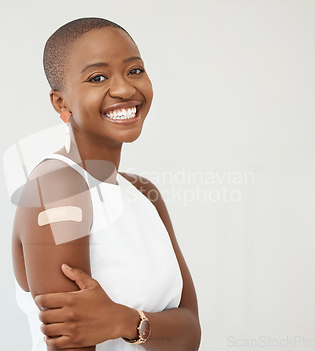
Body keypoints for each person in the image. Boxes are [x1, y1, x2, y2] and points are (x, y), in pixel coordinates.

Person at [11, 17, 201, 350]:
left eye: (135, 70)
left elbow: (190, 334)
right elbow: (71, 343)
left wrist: (123, 320)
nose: (126, 89)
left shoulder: (144, 192)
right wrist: (150, 327)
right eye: (98, 77)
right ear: (61, 102)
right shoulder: (56, 187)